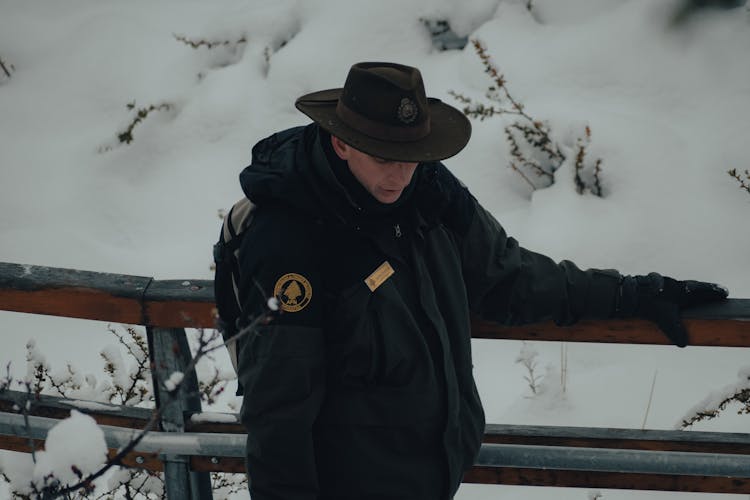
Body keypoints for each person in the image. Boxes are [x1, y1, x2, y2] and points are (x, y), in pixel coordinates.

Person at [229, 62, 728, 500]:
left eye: (412, 155)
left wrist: (629, 294)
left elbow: (510, 277)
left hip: (433, 476)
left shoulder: (429, 191)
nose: (400, 175)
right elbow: (279, 415)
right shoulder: (289, 241)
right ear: (341, 142)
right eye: (384, 157)